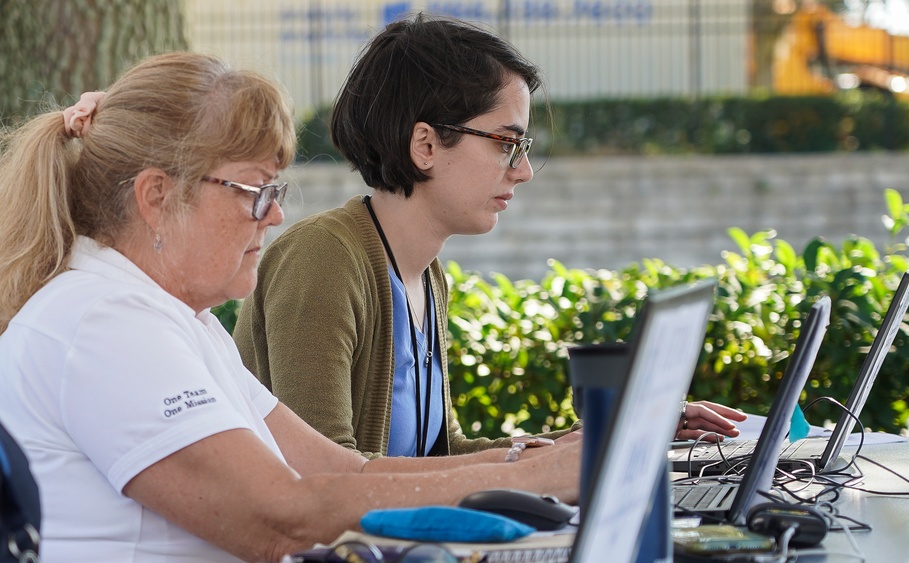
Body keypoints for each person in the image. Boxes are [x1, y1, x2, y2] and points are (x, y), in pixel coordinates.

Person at [0, 51, 580, 563]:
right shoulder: (108, 321)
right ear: (158, 197)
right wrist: (539, 475)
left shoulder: (176, 320)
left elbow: (337, 471)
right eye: (257, 191)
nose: (276, 215)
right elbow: (281, 518)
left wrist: (539, 466)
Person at [233, 13, 745, 459]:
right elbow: (325, 474)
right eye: (506, 143)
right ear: (426, 144)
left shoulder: (425, 274)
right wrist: (542, 468)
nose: (522, 170)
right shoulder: (323, 260)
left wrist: (607, 437)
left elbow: (441, 453)